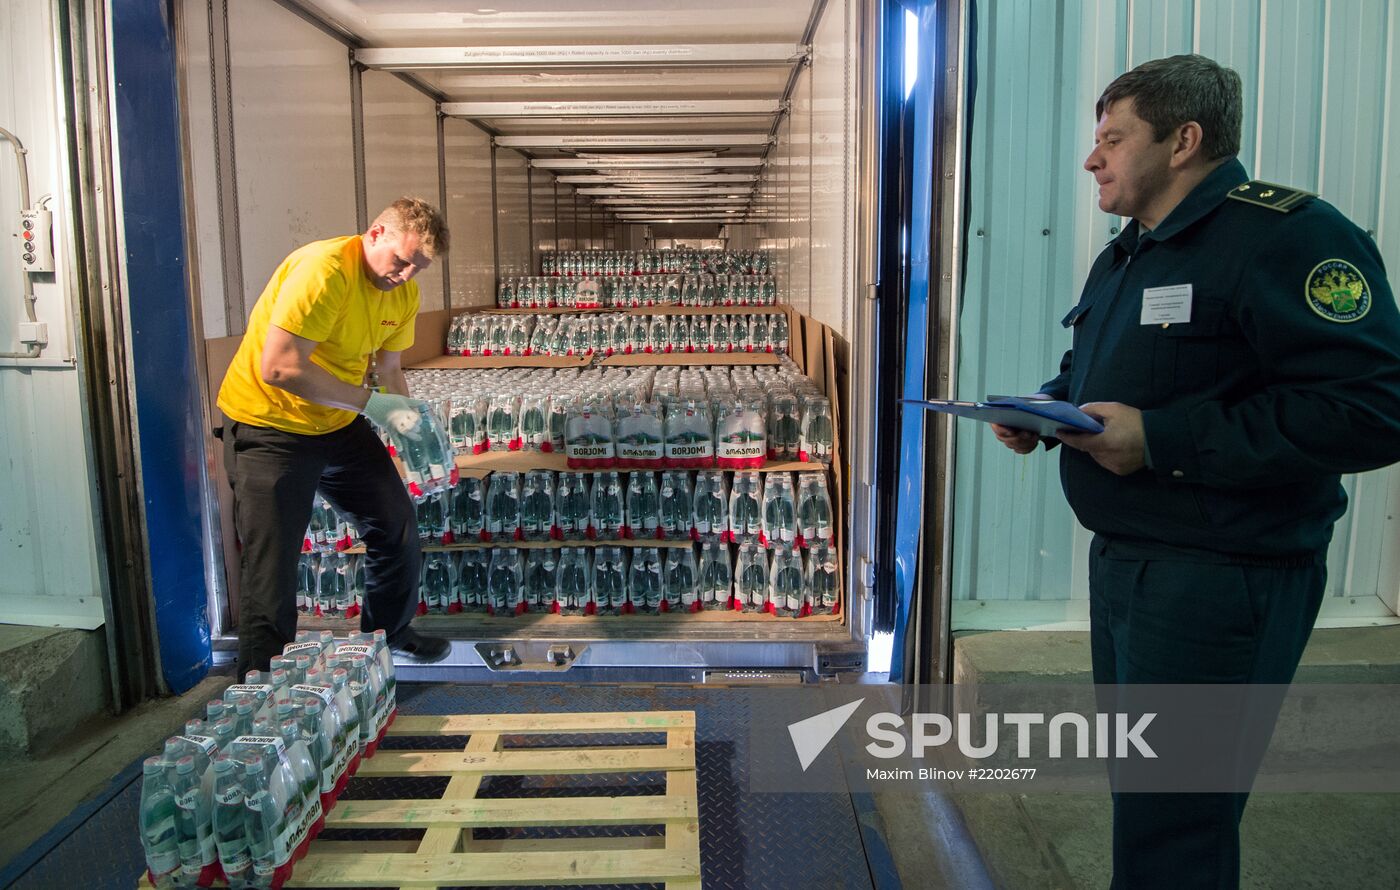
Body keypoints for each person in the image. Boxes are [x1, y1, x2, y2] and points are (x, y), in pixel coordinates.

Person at [991, 55, 1400, 888]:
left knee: (1176, 820)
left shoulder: (1288, 237)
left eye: (1112, 138)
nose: (1091, 158)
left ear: (1184, 141)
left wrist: (1166, 440)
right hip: (1134, 567)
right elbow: (1109, 370)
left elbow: (1371, 409)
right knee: (1148, 804)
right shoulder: (1131, 253)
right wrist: (1049, 408)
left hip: (1222, 579)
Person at [218, 196, 453, 677]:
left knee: (395, 525)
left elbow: (388, 367)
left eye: (418, 269)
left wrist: (405, 420)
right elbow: (281, 366)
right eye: (402, 261)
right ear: (375, 234)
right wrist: (372, 405)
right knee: (272, 566)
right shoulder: (323, 271)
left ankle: (389, 631)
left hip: (336, 423)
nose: (405, 275)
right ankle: (264, 689)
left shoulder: (402, 293)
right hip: (271, 426)